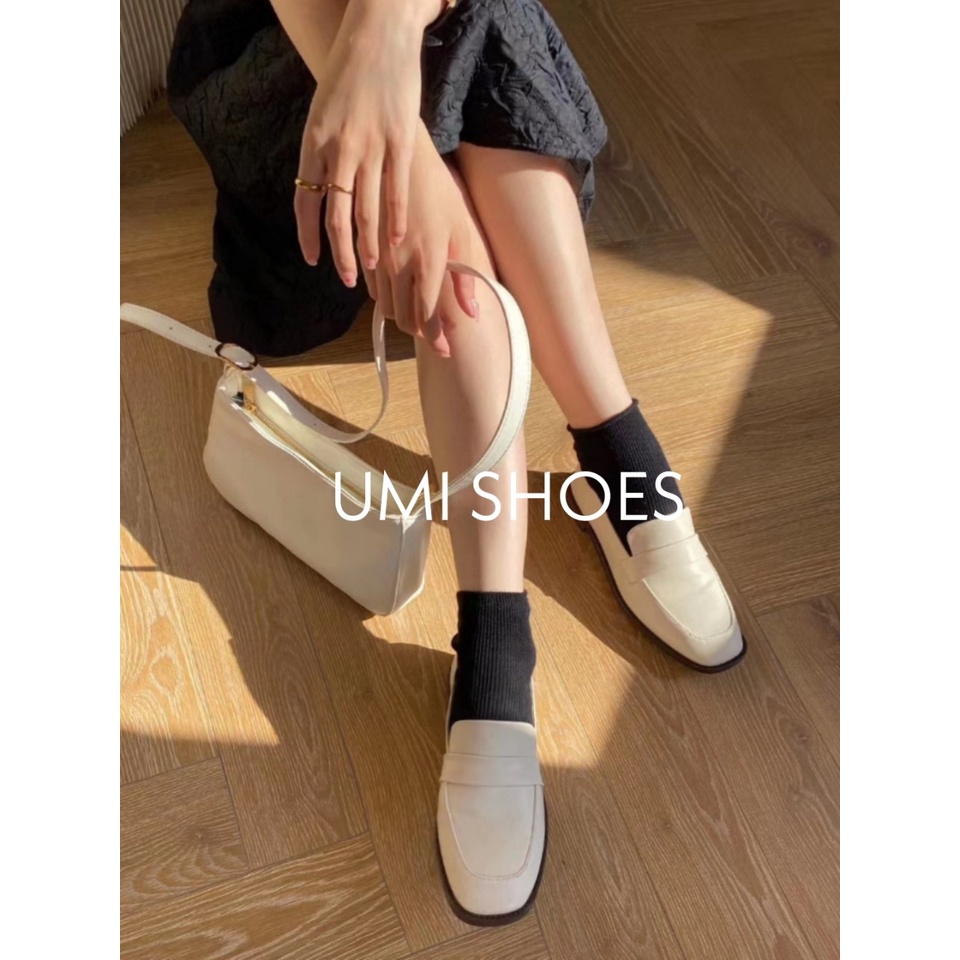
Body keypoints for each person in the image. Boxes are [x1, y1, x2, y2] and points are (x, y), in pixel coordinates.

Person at [168, 0, 745, 925]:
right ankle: (615, 461)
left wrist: (388, 33)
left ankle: (500, 624)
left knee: (478, 17)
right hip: (287, 53)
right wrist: (406, 147)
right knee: (484, 30)